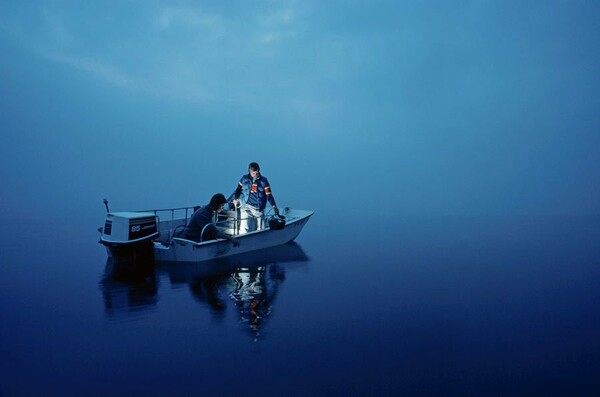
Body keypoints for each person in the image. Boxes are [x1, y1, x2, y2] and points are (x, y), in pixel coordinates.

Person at [232, 162, 279, 232]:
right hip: (246, 207)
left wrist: (274, 206)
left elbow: (269, 195)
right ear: (249, 171)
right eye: (253, 173)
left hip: (258, 209)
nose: (255, 175)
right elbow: (238, 189)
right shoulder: (243, 179)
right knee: (244, 229)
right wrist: (235, 199)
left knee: (260, 230)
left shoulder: (264, 181)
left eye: (257, 173)